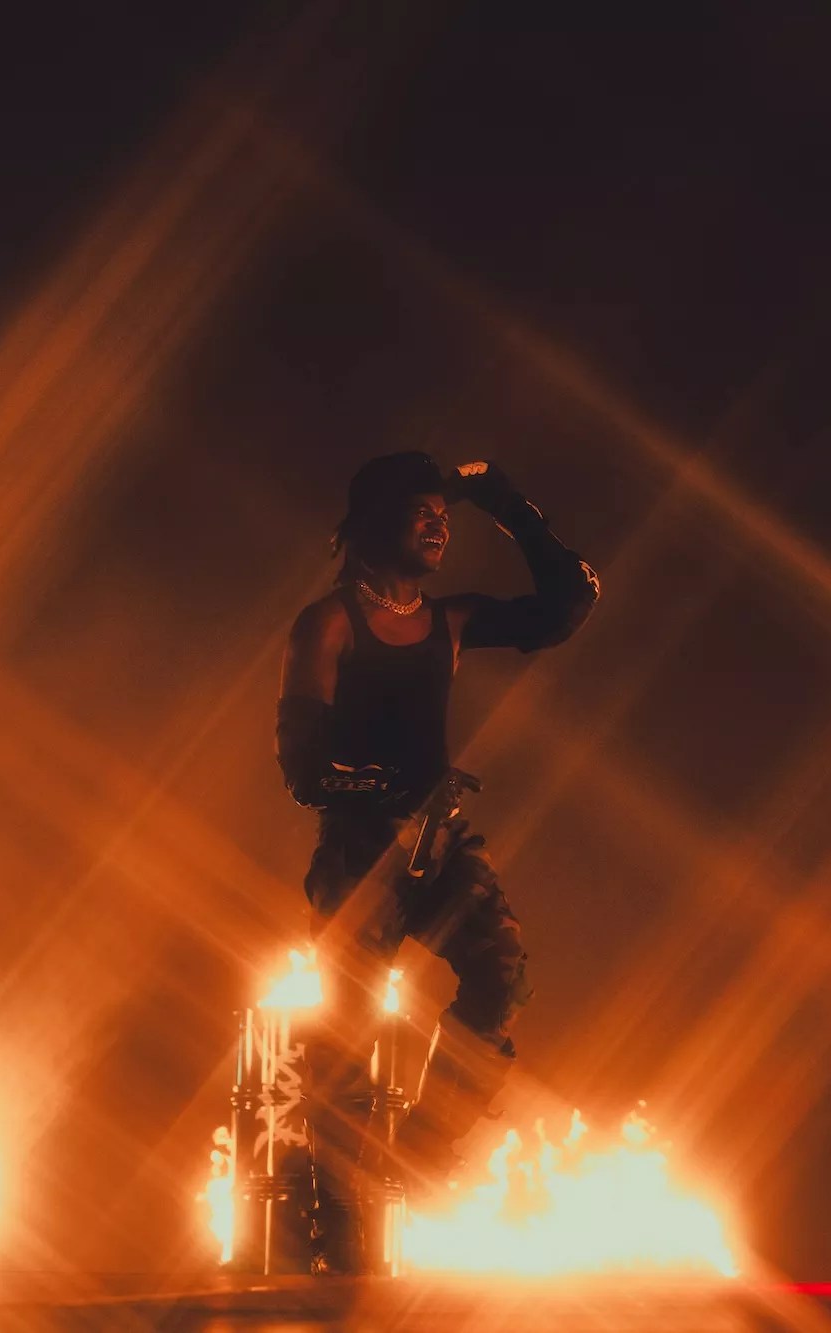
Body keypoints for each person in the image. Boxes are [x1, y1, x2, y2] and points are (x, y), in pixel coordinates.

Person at [274, 450, 599, 1271]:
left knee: (501, 976)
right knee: (345, 1036)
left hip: (440, 846)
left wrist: (506, 503)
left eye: (444, 514)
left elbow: (568, 603)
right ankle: (339, 1221)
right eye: (421, 511)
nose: (437, 525)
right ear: (374, 521)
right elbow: (301, 763)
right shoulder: (330, 623)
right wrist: (374, 783)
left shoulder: (448, 623)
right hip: (359, 856)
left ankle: (417, 1147)